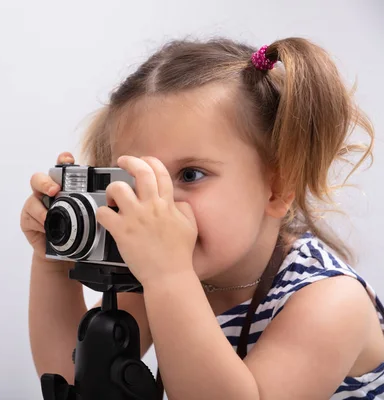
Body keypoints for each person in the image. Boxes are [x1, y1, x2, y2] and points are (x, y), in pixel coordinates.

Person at [20, 36, 384, 399]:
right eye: (139, 179)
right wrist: (51, 262)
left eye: (191, 175)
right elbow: (73, 379)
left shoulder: (331, 301)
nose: (157, 203)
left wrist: (169, 276)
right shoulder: (157, 276)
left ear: (276, 189)